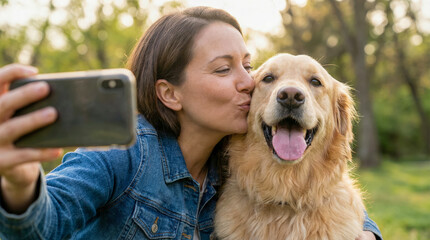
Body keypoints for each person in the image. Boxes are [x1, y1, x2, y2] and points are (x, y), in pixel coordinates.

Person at [0, 6, 382, 240]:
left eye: (248, 66)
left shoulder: (238, 162)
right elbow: (45, 225)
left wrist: (367, 232)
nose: (249, 82)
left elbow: (321, 189)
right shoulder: (121, 156)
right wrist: (20, 183)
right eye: (222, 69)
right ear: (170, 94)